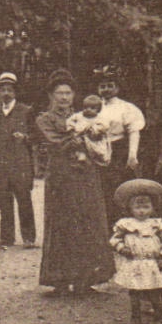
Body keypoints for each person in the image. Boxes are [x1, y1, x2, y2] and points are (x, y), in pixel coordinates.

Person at [33, 70, 114, 296]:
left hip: (86, 174)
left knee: (87, 220)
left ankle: (85, 280)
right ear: (51, 95)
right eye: (59, 93)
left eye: (68, 93)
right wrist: (81, 138)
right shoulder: (44, 119)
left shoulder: (83, 116)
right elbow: (56, 142)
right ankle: (59, 280)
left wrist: (88, 136)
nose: (64, 98)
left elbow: (101, 135)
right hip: (61, 176)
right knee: (61, 222)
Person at [110, 179, 162, 324]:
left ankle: (159, 316)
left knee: (154, 291)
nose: (142, 211)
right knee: (135, 292)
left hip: (152, 262)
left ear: (152, 208)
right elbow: (114, 240)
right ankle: (136, 316)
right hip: (135, 262)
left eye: (146, 207)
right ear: (130, 208)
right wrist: (122, 249)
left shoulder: (156, 225)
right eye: (137, 207)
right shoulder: (126, 224)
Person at [0, 72, 36, 246]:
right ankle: (7, 237)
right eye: (3, 90)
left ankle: (29, 237)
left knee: (24, 200)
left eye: (9, 90)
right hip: (0, 163)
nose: (6, 93)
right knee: (3, 201)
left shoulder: (26, 111)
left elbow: (36, 136)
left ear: (15, 92)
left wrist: (24, 138)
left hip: (20, 162)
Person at [92, 65, 147, 203]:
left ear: (117, 88)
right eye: (102, 86)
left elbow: (133, 132)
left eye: (110, 86)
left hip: (118, 151)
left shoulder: (126, 108)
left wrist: (132, 155)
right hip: (97, 150)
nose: (106, 89)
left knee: (117, 187)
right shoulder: (93, 107)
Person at [66, 94, 113, 165]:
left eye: (92, 108)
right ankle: (81, 156)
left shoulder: (100, 118)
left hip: (94, 139)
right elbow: (69, 121)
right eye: (85, 107)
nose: (88, 110)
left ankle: (99, 158)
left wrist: (95, 129)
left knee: (99, 150)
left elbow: (105, 126)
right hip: (80, 136)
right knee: (78, 144)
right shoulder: (79, 115)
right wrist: (72, 128)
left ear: (98, 110)